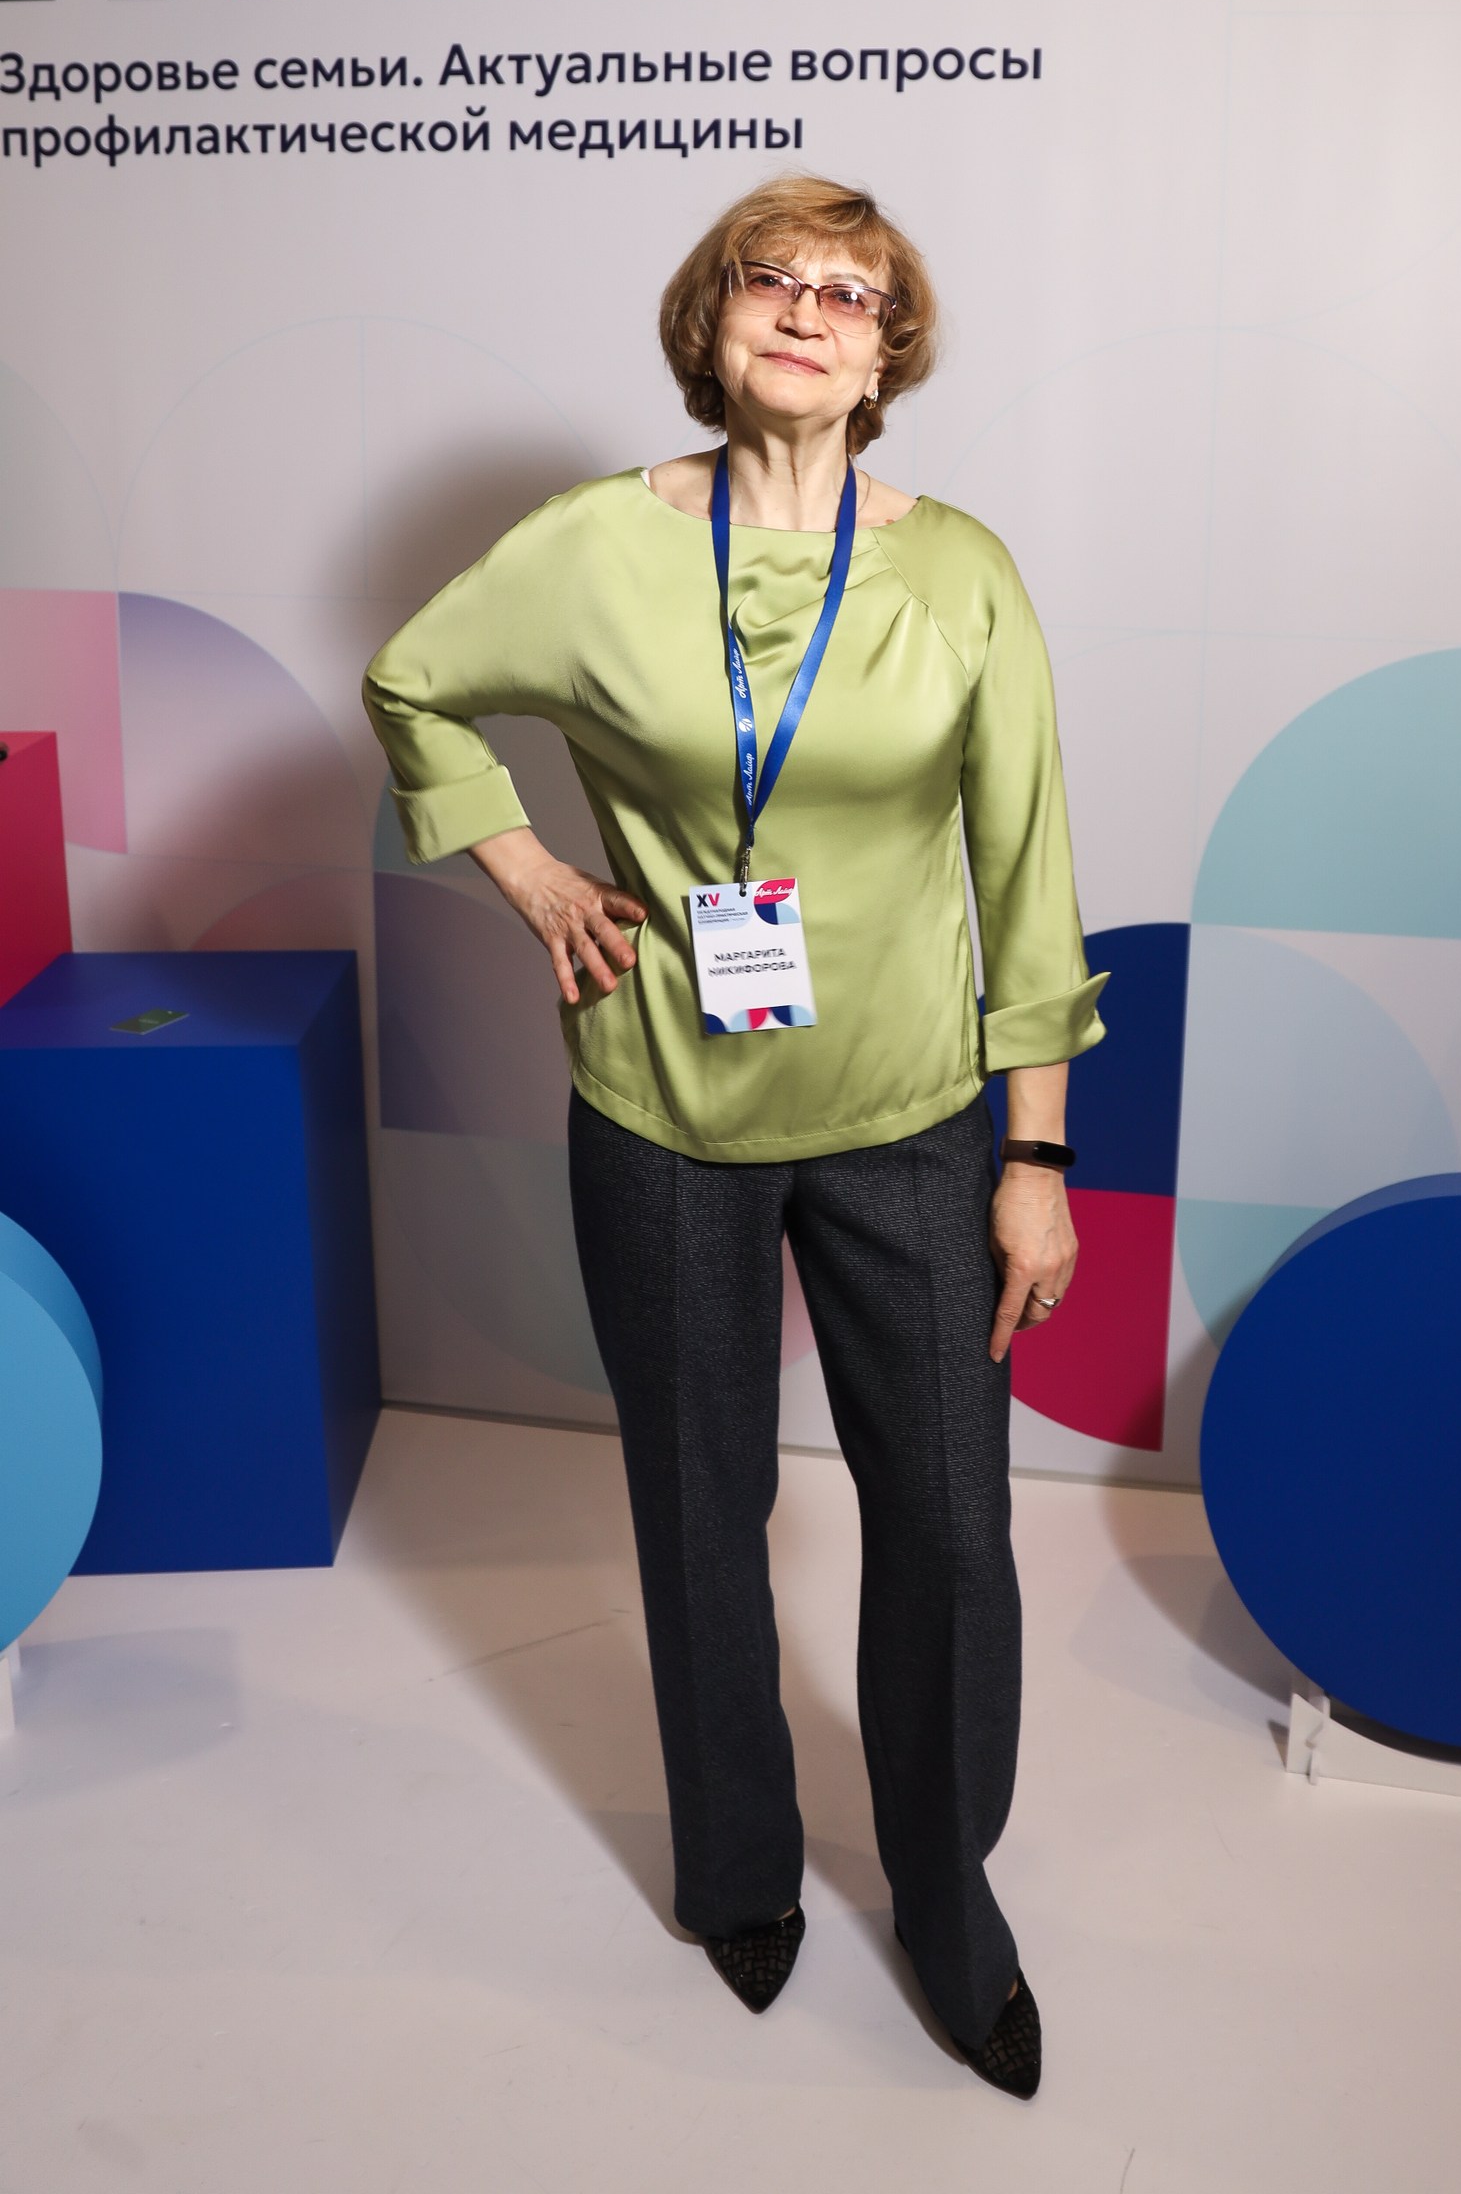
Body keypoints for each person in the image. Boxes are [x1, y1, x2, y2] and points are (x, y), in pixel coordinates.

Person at [362, 173, 1107, 2099]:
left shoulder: (962, 575)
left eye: (852, 293)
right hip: (663, 1111)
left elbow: (1026, 881)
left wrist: (1035, 1163)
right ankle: (741, 1872)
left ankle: (947, 1898)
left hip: (913, 1122)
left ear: (888, 354)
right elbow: (412, 683)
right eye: (771, 278)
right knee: (699, 1517)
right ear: (711, 321)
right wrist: (529, 870)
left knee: (949, 1528)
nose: (807, 309)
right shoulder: (596, 548)